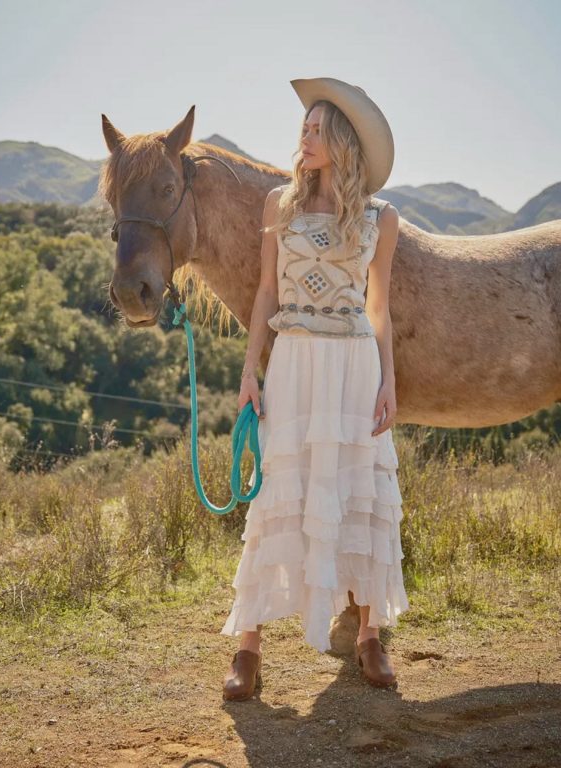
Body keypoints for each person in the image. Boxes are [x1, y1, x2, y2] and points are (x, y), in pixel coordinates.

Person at [220, 77, 409, 701]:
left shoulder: (382, 218)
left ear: (343, 143)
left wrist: (389, 381)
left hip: (355, 366)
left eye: (317, 130)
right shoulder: (279, 204)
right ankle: (248, 648)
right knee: (280, 489)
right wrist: (250, 372)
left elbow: (378, 308)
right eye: (303, 128)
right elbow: (266, 293)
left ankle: (370, 636)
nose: (304, 138)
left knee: (360, 491)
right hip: (295, 360)